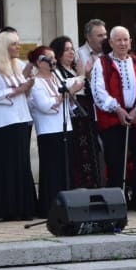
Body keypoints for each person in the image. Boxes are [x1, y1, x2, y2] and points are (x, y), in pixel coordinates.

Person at [92, 26, 136, 210]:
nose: (123, 43)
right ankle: (117, 201)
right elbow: (98, 92)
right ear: (110, 43)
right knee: (116, 161)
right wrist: (117, 109)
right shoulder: (101, 63)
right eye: (119, 40)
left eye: (126, 40)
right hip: (113, 119)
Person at [0, 30, 36, 221]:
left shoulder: (17, 66)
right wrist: (18, 90)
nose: (18, 47)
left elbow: (24, 93)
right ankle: (6, 208)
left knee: (21, 164)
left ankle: (23, 207)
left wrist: (27, 88)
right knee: (6, 166)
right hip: (4, 122)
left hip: (21, 119)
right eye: (14, 44)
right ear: (4, 47)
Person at [27, 46, 80, 218]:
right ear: (38, 62)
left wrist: (70, 96)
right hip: (48, 131)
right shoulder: (36, 82)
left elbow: (69, 105)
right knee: (52, 170)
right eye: (48, 59)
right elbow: (46, 106)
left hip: (65, 128)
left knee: (66, 168)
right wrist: (67, 94)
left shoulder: (58, 79)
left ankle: (68, 203)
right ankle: (49, 206)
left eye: (53, 58)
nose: (53, 62)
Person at [54, 35, 102, 188]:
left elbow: (85, 87)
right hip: (74, 117)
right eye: (66, 49)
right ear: (59, 52)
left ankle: (92, 184)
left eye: (71, 49)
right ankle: (80, 185)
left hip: (85, 114)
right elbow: (69, 89)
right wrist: (82, 75)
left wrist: (86, 74)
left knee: (90, 150)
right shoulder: (57, 72)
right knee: (78, 152)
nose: (71, 52)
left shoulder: (74, 68)